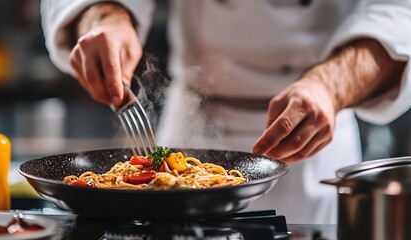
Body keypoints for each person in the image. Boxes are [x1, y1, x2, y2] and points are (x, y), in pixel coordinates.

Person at [40, 0, 411, 223]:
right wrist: (106, 17)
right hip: (190, 120)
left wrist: (332, 86)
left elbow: (400, 11)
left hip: (314, 135)